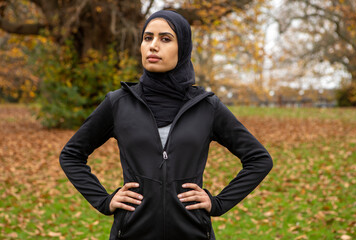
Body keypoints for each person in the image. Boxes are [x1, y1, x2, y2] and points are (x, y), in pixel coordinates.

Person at [59, 10, 273, 240]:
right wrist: (104, 200)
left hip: (192, 233)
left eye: (165, 39)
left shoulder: (206, 107)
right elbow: (71, 155)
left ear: (183, 49)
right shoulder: (118, 103)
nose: (153, 46)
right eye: (147, 37)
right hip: (132, 233)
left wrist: (218, 203)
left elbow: (259, 160)